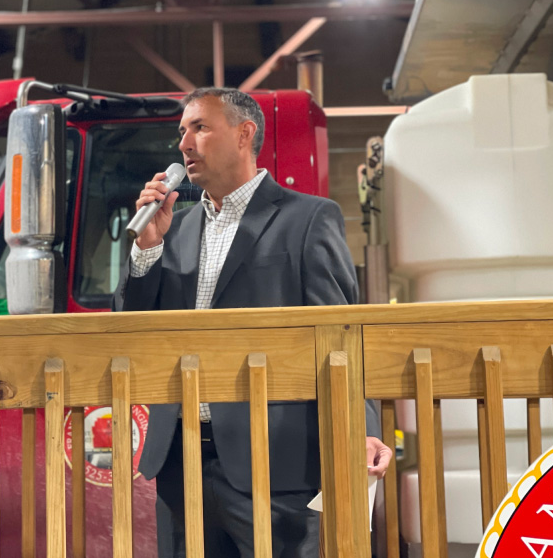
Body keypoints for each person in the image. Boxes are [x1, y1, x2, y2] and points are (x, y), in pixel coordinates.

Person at [112, 87, 391, 557]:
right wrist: (146, 249)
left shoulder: (306, 219)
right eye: (182, 131)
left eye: (199, 127)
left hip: (273, 463)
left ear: (245, 134)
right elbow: (132, 327)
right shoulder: (170, 229)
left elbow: (340, 335)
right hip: (181, 461)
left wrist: (359, 427)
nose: (184, 143)